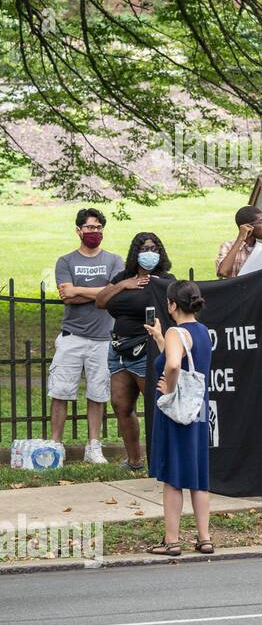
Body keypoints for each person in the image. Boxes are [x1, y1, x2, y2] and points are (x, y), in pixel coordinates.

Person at [142, 281, 213, 557]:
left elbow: (173, 364)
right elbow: (184, 358)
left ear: (172, 305)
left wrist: (169, 391)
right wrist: (161, 339)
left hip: (176, 412)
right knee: (198, 475)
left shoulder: (177, 332)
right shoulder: (202, 332)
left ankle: (171, 540)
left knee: (173, 476)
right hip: (196, 410)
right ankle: (204, 538)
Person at [96, 232, 175, 470]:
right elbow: (100, 301)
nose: (149, 253)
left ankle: (162, 460)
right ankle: (134, 461)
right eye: (144, 249)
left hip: (146, 349)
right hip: (119, 349)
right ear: (135, 253)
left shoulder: (164, 280)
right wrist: (123, 285)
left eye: (154, 248)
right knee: (120, 404)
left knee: (156, 405)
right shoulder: (123, 277)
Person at [50, 208, 124, 461]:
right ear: (79, 230)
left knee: (98, 393)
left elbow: (116, 293)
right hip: (73, 336)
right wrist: (103, 291)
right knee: (60, 392)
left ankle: (93, 446)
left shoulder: (114, 260)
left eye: (99, 227)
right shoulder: (66, 261)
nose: (94, 232)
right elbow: (66, 296)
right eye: (90, 228)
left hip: (103, 337)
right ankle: (55, 445)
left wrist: (79, 291)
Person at [216, 206, 262, 278]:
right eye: (260, 222)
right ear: (248, 227)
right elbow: (223, 272)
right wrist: (240, 239)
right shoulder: (227, 246)